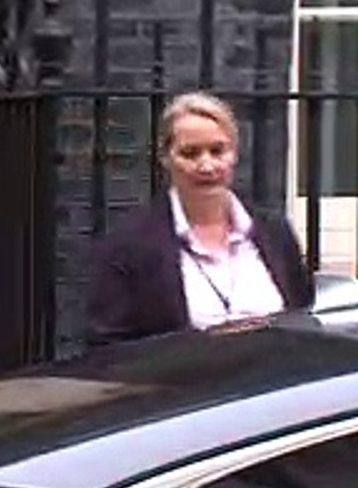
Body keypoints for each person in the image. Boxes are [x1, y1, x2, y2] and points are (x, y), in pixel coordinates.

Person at [86, 91, 312, 346]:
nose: (207, 166)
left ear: (234, 154)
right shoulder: (129, 247)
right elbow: (109, 349)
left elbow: (303, 323)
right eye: (190, 153)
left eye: (217, 151)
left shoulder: (275, 233)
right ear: (165, 159)